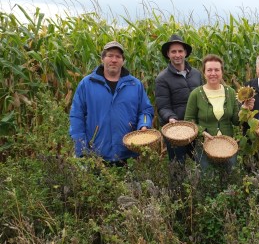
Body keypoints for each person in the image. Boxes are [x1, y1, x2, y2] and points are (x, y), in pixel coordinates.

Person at [69, 41, 154, 166]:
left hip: (128, 153)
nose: (114, 60)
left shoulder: (134, 85)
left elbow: (145, 110)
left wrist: (144, 124)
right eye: (110, 55)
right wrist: (81, 148)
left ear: (123, 61)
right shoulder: (87, 84)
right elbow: (77, 116)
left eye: (118, 57)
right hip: (96, 154)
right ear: (102, 58)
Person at [184, 54, 240, 170]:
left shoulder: (230, 92)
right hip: (205, 145)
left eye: (216, 70)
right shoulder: (196, 94)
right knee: (208, 180)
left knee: (230, 179)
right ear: (204, 73)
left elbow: (236, 121)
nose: (213, 73)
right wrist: (202, 132)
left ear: (222, 72)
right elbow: (188, 121)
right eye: (209, 70)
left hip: (228, 145)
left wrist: (245, 110)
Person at [155, 34, 202, 163]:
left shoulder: (196, 74)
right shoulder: (162, 78)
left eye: (180, 51)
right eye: (173, 52)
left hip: (196, 127)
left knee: (202, 164)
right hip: (176, 130)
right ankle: (177, 184)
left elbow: (203, 97)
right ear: (168, 54)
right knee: (177, 167)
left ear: (185, 53)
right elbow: (163, 105)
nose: (177, 55)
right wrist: (171, 117)